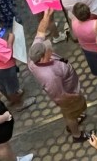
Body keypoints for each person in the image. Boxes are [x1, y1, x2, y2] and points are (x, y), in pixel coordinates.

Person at [27, 9, 90, 142]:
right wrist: (76, 97)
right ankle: (76, 134)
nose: (50, 49)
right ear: (43, 58)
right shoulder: (50, 77)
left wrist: (46, 15)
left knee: (72, 113)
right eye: (48, 50)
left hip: (69, 87)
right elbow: (60, 97)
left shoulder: (35, 51)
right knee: (70, 114)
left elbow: (40, 32)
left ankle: (74, 118)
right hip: (69, 94)